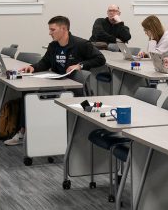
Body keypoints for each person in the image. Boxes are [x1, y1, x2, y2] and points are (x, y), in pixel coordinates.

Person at [8, 16, 104, 146]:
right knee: (28, 93)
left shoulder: (81, 44)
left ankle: (36, 133)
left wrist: (80, 65)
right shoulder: (53, 46)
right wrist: (32, 67)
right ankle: (24, 132)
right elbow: (45, 62)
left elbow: (100, 59)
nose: (50, 33)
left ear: (63, 29)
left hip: (72, 88)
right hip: (56, 83)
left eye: (52, 30)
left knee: (30, 95)